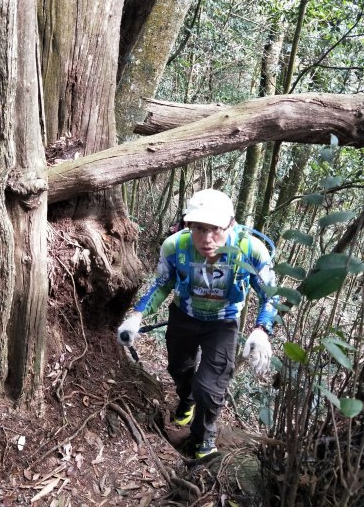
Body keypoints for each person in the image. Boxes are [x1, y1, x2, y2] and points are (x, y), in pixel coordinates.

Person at [117, 189, 278, 459]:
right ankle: (186, 400)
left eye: (215, 229)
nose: (207, 239)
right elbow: (162, 283)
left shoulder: (251, 251)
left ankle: (205, 436)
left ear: (231, 224)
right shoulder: (175, 246)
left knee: (210, 387)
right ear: (188, 225)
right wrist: (137, 315)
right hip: (184, 316)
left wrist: (262, 330)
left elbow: (270, 294)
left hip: (223, 323)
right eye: (199, 229)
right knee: (179, 368)